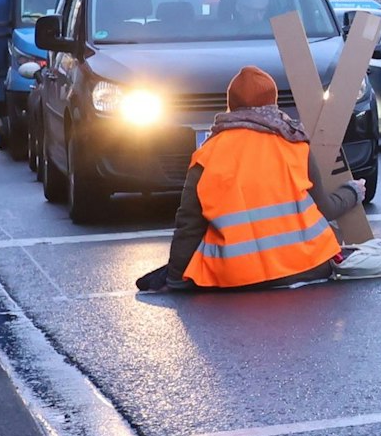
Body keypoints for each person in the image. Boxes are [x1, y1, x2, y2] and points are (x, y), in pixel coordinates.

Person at [136, 66, 361, 292]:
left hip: (236, 277)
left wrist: (175, 279)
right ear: (273, 104)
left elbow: (189, 226)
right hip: (311, 266)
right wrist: (352, 192)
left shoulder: (207, 155)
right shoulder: (295, 145)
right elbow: (325, 210)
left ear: (231, 106)